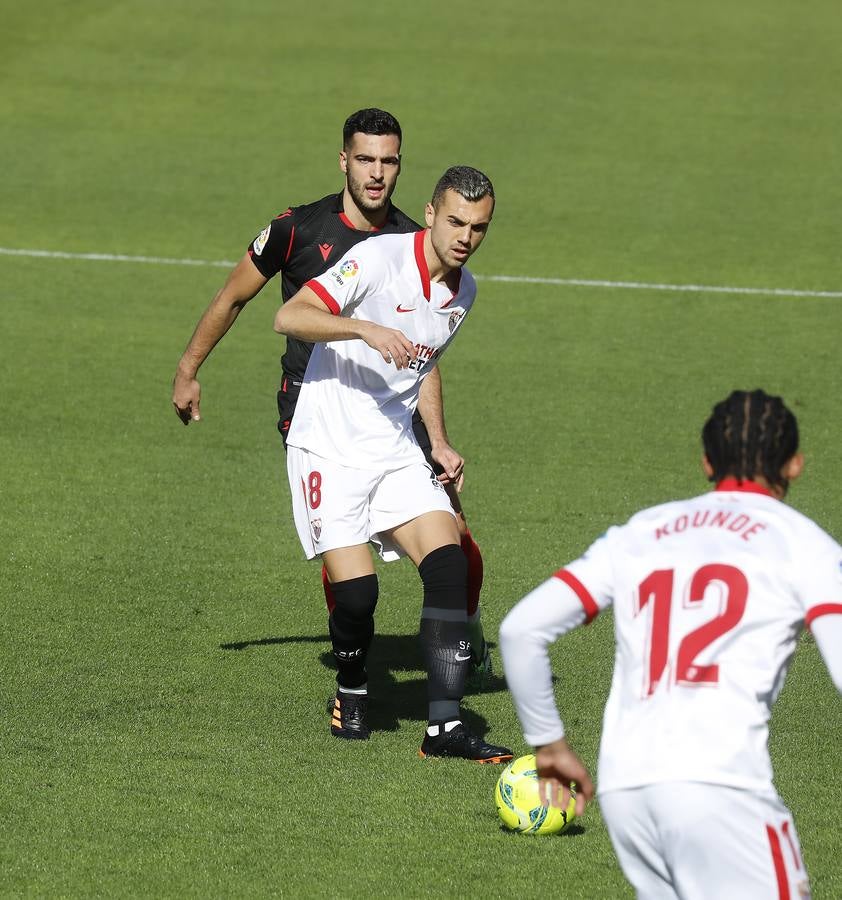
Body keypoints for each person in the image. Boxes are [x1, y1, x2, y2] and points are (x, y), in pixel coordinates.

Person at [171, 108, 491, 675]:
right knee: (345, 549)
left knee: (458, 538)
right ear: (344, 160)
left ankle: (458, 655)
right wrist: (189, 368)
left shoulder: (417, 242)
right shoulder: (299, 228)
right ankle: (355, 664)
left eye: (388, 162)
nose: (376, 174)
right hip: (314, 406)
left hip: (391, 407)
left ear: (400, 167)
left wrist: (438, 437)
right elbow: (233, 298)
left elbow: (424, 353)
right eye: (365, 159)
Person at [499, 389, 842, 897]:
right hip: (724, 789)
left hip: (627, 791)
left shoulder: (643, 531)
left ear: (706, 462)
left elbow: (520, 630)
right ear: (794, 465)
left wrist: (548, 744)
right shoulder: (805, 544)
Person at [274, 165, 513, 762]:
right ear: (430, 214)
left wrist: (438, 440)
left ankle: (444, 729)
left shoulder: (465, 292)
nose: (464, 236)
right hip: (329, 445)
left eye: (478, 227)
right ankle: (352, 690)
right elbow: (291, 315)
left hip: (395, 450)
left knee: (449, 565)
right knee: (357, 599)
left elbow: (424, 364)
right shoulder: (379, 260)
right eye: (455, 220)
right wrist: (364, 330)